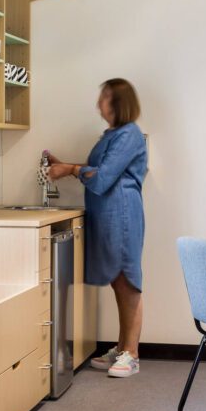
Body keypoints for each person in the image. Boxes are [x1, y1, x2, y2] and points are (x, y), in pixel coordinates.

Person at [47, 78, 147, 379]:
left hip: (123, 216)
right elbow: (102, 171)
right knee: (118, 281)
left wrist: (71, 169)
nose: (98, 103)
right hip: (107, 215)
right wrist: (65, 166)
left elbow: (102, 179)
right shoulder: (112, 135)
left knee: (128, 282)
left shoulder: (129, 135)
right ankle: (121, 347)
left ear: (118, 103)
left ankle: (132, 354)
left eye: (104, 98)